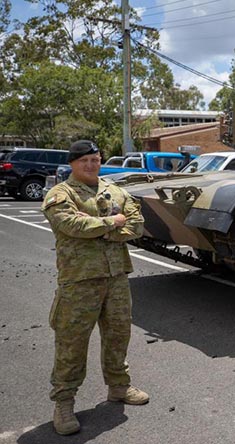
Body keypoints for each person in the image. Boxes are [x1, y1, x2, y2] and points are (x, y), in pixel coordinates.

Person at [41, 140, 149, 436]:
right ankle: (63, 402)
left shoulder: (115, 191)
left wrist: (105, 231)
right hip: (80, 280)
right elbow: (71, 225)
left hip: (116, 277)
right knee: (72, 342)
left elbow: (137, 225)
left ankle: (118, 386)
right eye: (84, 160)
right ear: (73, 163)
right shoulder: (60, 193)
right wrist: (113, 221)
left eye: (95, 159)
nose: (90, 164)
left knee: (118, 334)